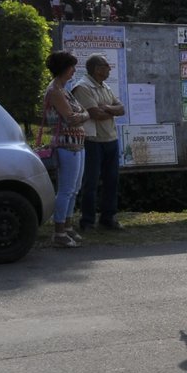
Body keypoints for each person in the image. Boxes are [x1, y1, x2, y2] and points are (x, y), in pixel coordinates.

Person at [72, 53, 126, 231]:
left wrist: (108, 109)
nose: (109, 68)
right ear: (97, 69)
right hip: (93, 141)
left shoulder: (105, 87)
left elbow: (121, 109)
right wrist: (111, 111)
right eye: (106, 65)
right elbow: (96, 114)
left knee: (112, 180)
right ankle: (87, 221)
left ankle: (107, 218)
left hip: (111, 139)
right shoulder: (83, 87)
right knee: (91, 182)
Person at [44, 51, 90, 248]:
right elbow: (72, 117)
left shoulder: (64, 89)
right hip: (65, 144)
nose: (73, 71)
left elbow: (80, 112)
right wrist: (83, 114)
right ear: (63, 68)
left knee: (75, 188)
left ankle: (68, 225)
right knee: (66, 189)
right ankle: (59, 231)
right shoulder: (55, 91)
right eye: (71, 67)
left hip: (77, 143)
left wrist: (81, 114)